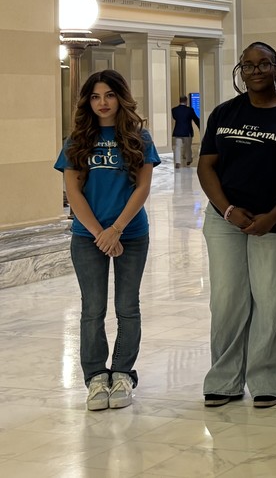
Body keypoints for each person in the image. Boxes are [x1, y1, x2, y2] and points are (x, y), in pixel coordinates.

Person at [197, 42, 276, 409]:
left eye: (263, 64)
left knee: (271, 300)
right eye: (248, 65)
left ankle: (268, 379)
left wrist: (273, 216)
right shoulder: (225, 112)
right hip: (225, 219)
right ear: (240, 72)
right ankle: (224, 379)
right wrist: (227, 210)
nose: (255, 70)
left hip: (275, 221)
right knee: (227, 300)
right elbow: (206, 166)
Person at [55, 70, 159, 411]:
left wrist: (116, 229)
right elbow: (73, 192)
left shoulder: (140, 138)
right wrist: (101, 233)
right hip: (88, 237)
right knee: (92, 309)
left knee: (128, 308)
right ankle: (96, 377)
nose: (102, 103)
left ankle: (124, 374)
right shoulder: (76, 142)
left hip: (131, 233)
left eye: (109, 95)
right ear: (88, 101)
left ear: (121, 98)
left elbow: (142, 188)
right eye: (96, 96)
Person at [170, 95, 200, 168]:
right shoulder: (190, 110)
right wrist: (200, 126)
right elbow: (195, 119)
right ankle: (188, 160)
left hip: (178, 131)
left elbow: (175, 117)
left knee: (177, 147)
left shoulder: (174, 110)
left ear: (179, 101)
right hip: (187, 131)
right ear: (186, 101)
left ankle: (177, 162)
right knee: (188, 147)